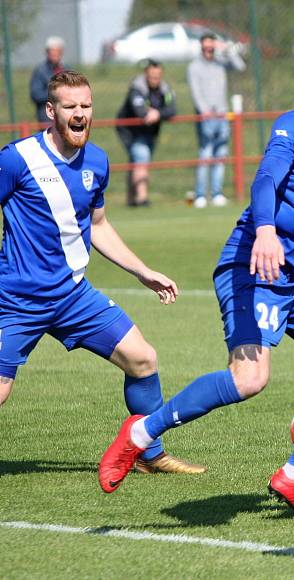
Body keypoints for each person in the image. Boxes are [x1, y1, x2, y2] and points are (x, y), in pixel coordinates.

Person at [98, 42, 294, 517]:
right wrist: (265, 231)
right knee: (249, 378)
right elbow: (266, 179)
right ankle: (140, 433)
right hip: (251, 265)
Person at [0, 71, 205, 476]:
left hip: (74, 296)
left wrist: (143, 272)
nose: (80, 114)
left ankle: (149, 454)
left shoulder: (97, 160)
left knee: (142, 359)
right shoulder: (16, 159)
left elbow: (99, 226)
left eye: (86, 106)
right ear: (50, 110)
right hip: (18, 300)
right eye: (70, 106)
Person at [187, 32, 246, 208]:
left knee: (220, 155)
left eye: (211, 44)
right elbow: (195, 91)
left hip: (222, 115)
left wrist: (227, 48)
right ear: (201, 46)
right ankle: (200, 195)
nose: (209, 48)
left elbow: (240, 66)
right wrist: (204, 110)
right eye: (206, 44)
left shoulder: (221, 63)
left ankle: (217, 193)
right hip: (206, 117)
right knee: (206, 154)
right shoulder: (194, 67)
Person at [116, 59, 177, 207]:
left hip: (150, 131)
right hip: (130, 131)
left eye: (157, 77)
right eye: (151, 76)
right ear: (146, 74)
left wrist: (157, 113)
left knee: (135, 161)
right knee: (141, 157)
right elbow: (139, 110)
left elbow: (172, 109)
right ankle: (142, 198)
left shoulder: (165, 89)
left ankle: (131, 199)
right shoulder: (137, 88)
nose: (154, 80)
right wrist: (151, 113)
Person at [29, 36, 67, 124]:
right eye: (52, 51)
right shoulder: (40, 71)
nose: (55, 54)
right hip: (47, 120)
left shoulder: (67, 70)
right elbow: (36, 95)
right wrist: (56, 92)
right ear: (47, 52)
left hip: (65, 119)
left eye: (58, 51)